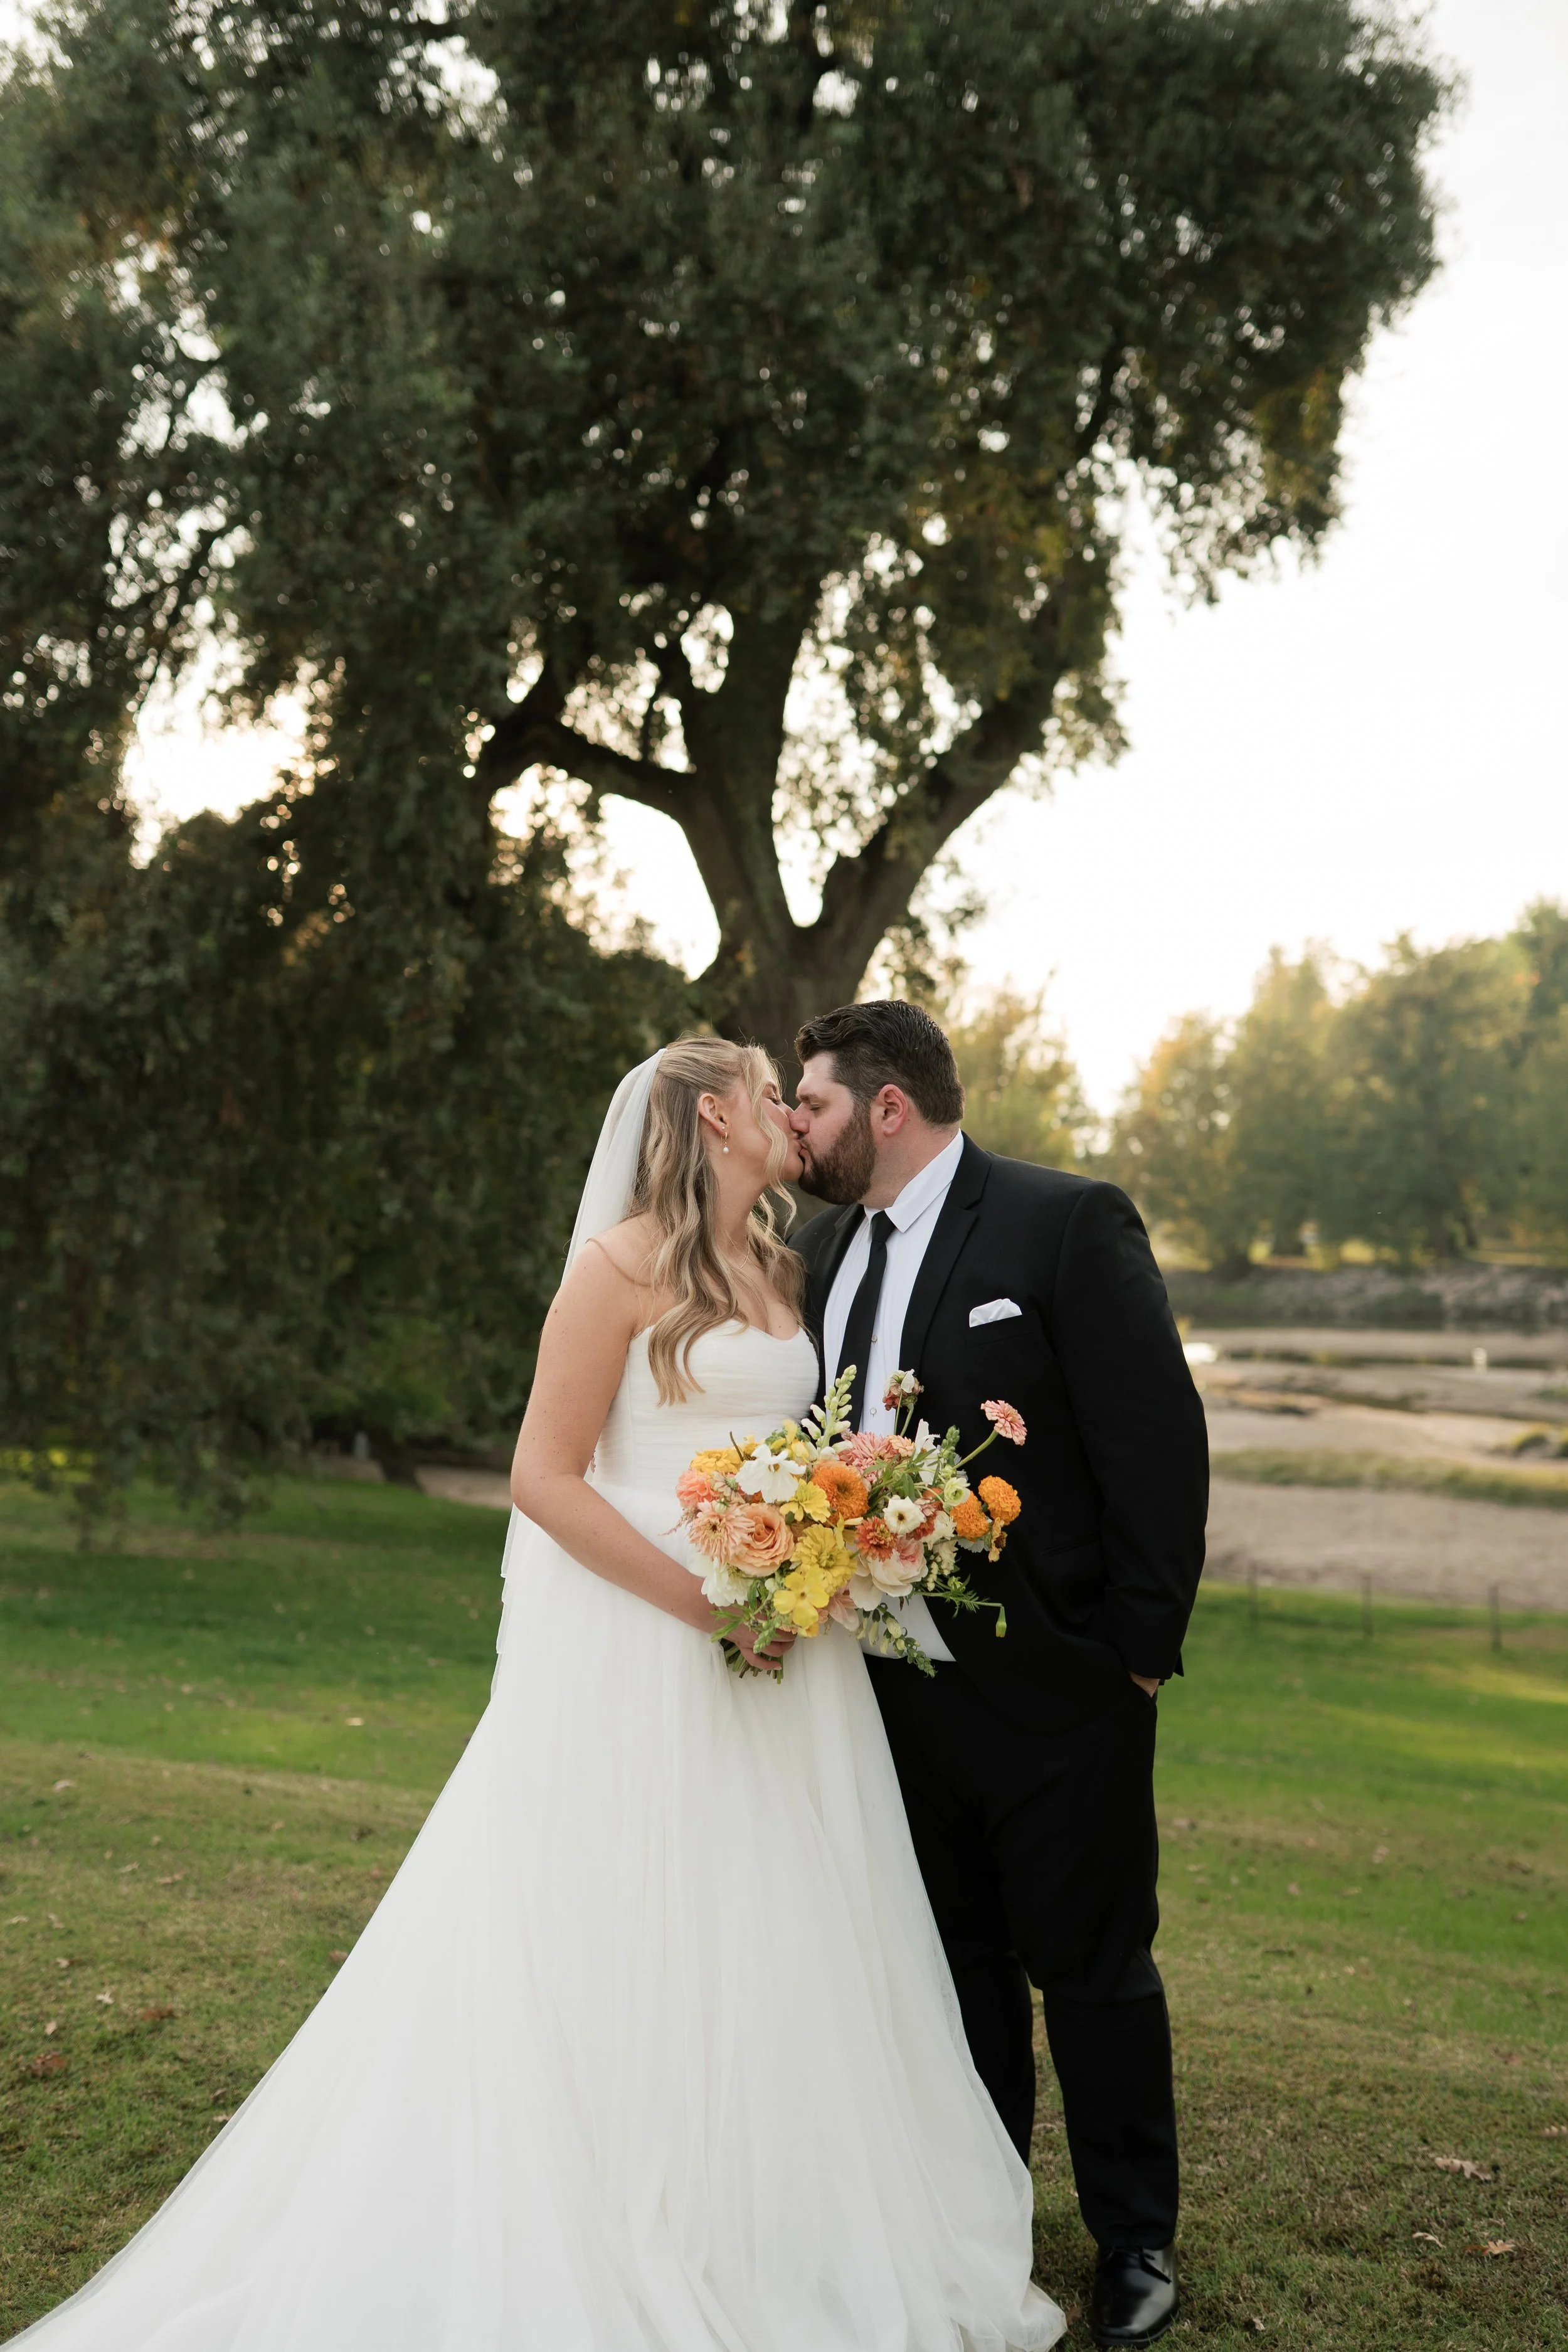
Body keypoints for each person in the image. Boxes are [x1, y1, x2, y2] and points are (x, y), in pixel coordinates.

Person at [16, 1036, 1062, 2352]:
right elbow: (543, 1476)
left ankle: (773, 2217)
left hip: (792, 1650)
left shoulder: (787, 1265)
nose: (787, 1110)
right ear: (708, 1121)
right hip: (653, 1639)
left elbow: (800, 1447)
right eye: (762, 1090)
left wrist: (826, 1543)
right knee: (635, 1920)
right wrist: (706, 1600)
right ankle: (624, 2206)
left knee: (783, 1919)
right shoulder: (618, 1266)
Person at [790, 1002, 1209, 2351]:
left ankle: (1133, 2237)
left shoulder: (1061, 1222)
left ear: (887, 1107)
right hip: (879, 1691)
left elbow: (1153, 1437)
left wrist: (1135, 1655)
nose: (800, 1125)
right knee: (950, 1969)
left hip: (1055, 1690)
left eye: (813, 1105)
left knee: (1089, 1969)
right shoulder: (817, 1248)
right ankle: (981, 2217)